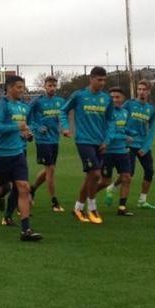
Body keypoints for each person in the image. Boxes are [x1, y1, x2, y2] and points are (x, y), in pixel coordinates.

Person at [0, 75, 42, 241]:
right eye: (18, 87)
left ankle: (26, 230)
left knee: (23, 187)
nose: (22, 90)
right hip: (0, 155)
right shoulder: (1, 106)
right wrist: (16, 127)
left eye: (23, 87)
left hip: (18, 153)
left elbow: (24, 129)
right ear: (9, 88)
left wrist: (27, 134)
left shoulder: (23, 108)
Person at [61, 66, 113, 224]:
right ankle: (92, 208)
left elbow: (111, 121)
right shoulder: (79, 96)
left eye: (104, 80)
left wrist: (107, 140)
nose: (102, 83)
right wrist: (65, 127)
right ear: (91, 79)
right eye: (99, 80)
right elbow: (63, 111)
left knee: (90, 176)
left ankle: (78, 207)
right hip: (84, 141)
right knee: (96, 174)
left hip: (100, 142)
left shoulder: (106, 99)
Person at [106, 80, 155, 209]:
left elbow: (152, 129)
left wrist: (146, 147)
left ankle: (142, 200)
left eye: (144, 89)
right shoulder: (129, 104)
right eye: (139, 89)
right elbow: (116, 115)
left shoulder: (151, 109)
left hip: (142, 145)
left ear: (149, 91)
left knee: (150, 171)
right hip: (128, 143)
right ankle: (112, 188)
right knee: (129, 174)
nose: (141, 92)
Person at [28, 76, 65, 212]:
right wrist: (37, 128)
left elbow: (63, 115)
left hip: (55, 139)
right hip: (42, 140)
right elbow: (28, 116)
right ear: (44, 86)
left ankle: (31, 189)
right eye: (49, 85)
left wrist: (64, 127)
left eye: (54, 86)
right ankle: (54, 202)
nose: (52, 88)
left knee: (48, 170)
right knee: (50, 170)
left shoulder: (60, 101)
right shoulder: (38, 101)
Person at [95, 87, 135, 216]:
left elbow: (123, 129)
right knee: (104, 182)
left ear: (122, 99)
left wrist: (132, 133)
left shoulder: (124, 112)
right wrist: (125, 137)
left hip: (122, 151)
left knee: (127, 178)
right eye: (112, 97)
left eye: (117, 97)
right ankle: (87, 197)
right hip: (107, 151)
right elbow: (108, 134)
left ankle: (122, 208)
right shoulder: (104, 114)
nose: (114, 99)